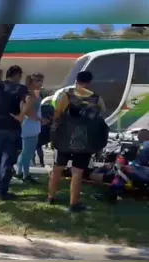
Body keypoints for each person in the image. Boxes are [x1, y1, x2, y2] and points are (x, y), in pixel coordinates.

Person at [48, 71, 107, 213]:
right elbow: (101, 116)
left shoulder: (67, 96)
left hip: (64, 140)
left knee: (57, 168)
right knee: (77, 172)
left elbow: (57, 115)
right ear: (89, 82)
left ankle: (51, 197)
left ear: (76, 80)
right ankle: (73, 204)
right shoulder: (97, 99)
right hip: (85, 142)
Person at [0, 53, 30, 200]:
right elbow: (29, 100)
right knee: (7, 160)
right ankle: (1, 192)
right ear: (17, 75)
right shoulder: (21, 88)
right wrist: (21, 116)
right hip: (12, 127)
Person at [16, 73, 49, 183]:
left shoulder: (32, 94)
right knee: (27, 152)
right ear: (32, 82)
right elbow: (27, 112)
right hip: (29, 126)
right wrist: (40, 120)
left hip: (32, 126)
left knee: (27, 152)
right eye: (38, 81)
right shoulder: (29, 95)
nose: (41, 83)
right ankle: (21, 173)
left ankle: (23, 173)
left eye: (41, 81)